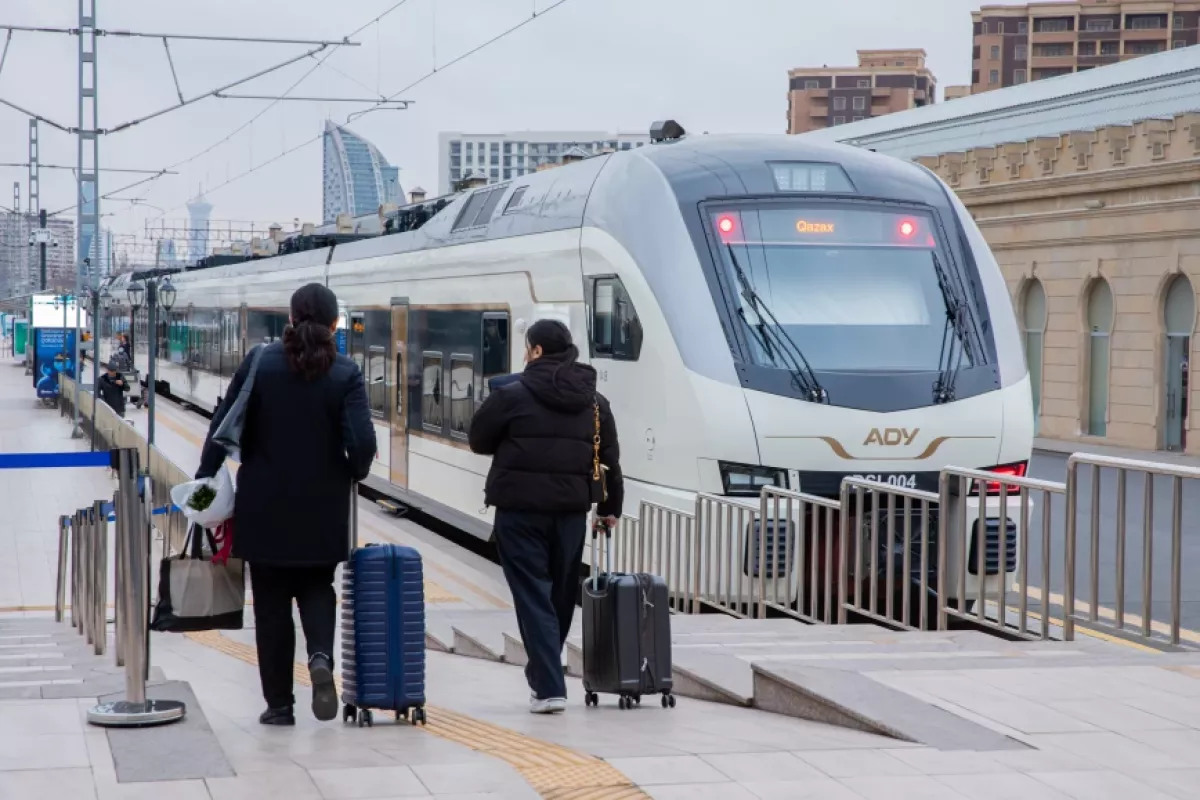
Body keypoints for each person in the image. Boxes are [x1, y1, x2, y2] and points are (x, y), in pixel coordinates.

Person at [196, 283, 376, 726]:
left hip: (264, 505)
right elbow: (363, 443)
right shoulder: (346, 372)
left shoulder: (260, 362)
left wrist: (204, 478)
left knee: (271, 604)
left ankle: (279, 705)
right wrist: (353, 472)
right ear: (335, 323)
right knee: (317, 587)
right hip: (323, 506)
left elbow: (222, 425)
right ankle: (320, 658)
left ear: (291, 318)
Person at [468, 318, 623, 714]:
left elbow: (478, 440)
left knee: (533, 596)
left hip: (519, 513)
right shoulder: (594, 401)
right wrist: (610, 509)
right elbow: (609, 459)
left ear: (536, 350)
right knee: (559, 597)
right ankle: (543, 677)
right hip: (570, 514)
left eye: (527, 347)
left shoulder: (510, 395)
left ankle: (550, 686)